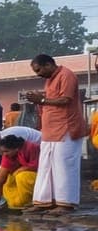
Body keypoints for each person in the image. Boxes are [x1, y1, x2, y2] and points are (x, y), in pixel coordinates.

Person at [24, 53, 87, 213]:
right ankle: (44, 202)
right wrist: (39, 98)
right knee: (46, 166)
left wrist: (42, 100)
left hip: (66, 128)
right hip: (49, 130)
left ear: (48, 64)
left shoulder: (66, 75)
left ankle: (65, 203)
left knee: (64, 166)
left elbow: (66, 100)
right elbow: (52, 99)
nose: (38, 74)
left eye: (39, 70)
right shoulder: (49, 80)